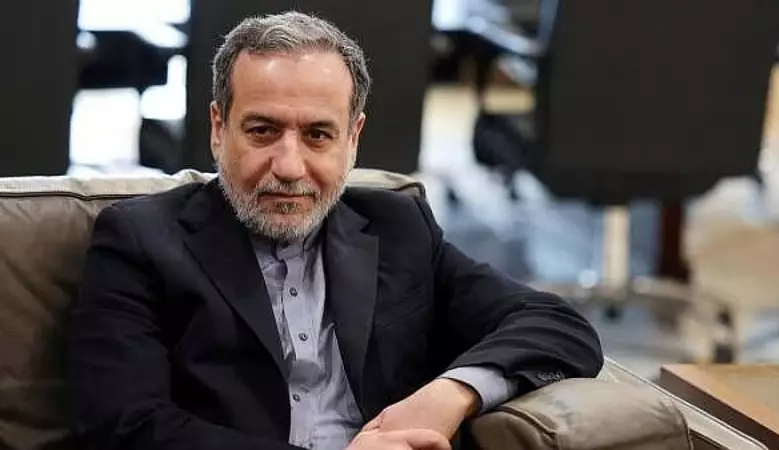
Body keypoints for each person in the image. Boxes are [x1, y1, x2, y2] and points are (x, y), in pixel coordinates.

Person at [69, 11, 602, 450]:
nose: (289, 167)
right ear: (218, 128)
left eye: (318, 135)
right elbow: (124, 426)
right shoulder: (140, 240)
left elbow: (556, 326)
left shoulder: (400, 227)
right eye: (262, 130)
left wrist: (449, 394)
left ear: (353, 138)